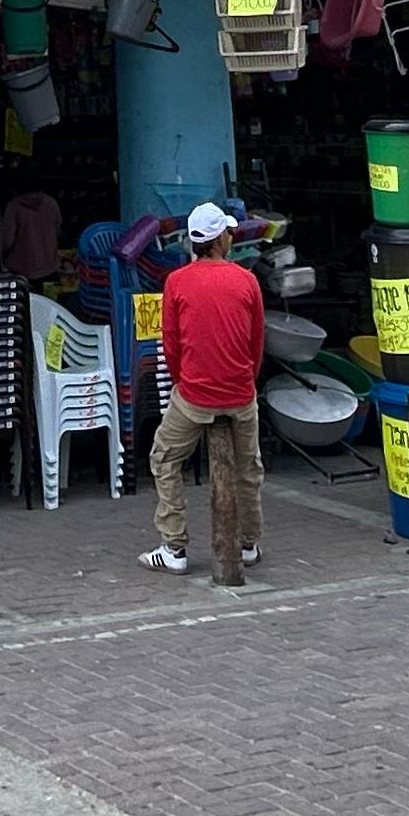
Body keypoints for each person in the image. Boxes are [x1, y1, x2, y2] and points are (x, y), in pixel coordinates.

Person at [142, 204, 265, 574]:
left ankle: (174, 546)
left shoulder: (176, 281)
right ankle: (248, 543)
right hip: (241, 393)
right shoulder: (246, 280)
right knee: (249, 470)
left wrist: (185, 382)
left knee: (163, 459)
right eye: (228, 232)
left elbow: (171, 344)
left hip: (194, 394)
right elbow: (256, 342)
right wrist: (245, 379)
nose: (231, 237)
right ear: (219, 239)